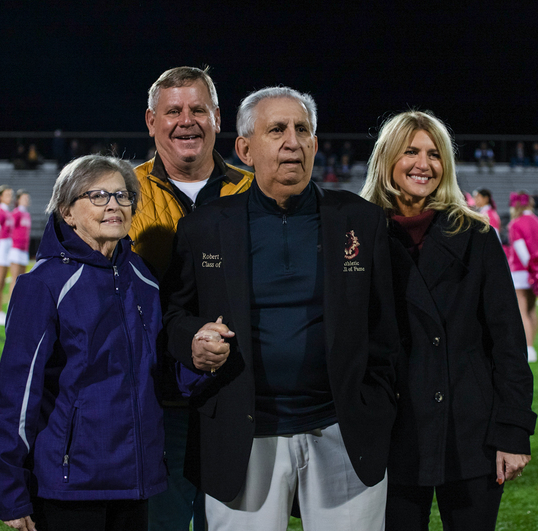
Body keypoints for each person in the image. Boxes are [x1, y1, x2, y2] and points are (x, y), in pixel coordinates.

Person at [162, 86, 398, 531]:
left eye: (302, 129)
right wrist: (192, 341)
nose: (293, 140)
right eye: (277, 129)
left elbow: (385, 328)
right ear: (245, 149)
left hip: (342, 431)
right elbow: (174, 315)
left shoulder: (359, 219)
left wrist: (377, 404)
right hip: (245, 437)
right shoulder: (204, 226)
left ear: (313, 143)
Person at [0, 154, 187, 531]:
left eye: (123, 195)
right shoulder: (43, 284)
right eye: (97, 196)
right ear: (67, 212)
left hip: (136, 480)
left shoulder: (142, 275)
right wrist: (11, 488)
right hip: (71, 485)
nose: (113, 204)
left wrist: (201, 360)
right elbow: (17, 394)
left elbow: (156, 368)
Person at [361, 111, 534, 530]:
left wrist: (512, 431)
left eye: (435, 154)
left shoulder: (477, 235)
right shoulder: (358, 235)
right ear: (386, 159)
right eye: (411, 152)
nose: (424, 164)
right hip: (391, 433)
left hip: (470, 432)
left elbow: (508, 341)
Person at [129, 66, 253, 531]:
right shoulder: (123, 192)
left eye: (198, 109)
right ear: (150, 120)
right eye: (173, 111)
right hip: (153, 400)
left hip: (239, 397)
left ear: (218, 118)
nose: (187, 120)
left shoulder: (254, 189)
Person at [506, 191, 538, 363]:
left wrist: (531, 267)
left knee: (521, 311)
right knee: (532, 310)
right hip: (537, 271)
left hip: (520, 271)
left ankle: (528, 348)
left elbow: (520, 250)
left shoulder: (515, 223)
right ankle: (532, 347)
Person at [0, 185, 14, 327]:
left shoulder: (7, 211)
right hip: (0, 250)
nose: (10, 197)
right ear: (0, 197)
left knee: (3, 282)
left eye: (11, 195)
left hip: (6, 250)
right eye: (7, 195)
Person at [7, 189, 32, 298]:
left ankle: (18, 303)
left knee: (22, 279)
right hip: (16, 248)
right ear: (18, 200)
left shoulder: (27, 214)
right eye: (24, 198)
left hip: (24, 249)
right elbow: (10, 229)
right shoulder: (16, 213)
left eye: (27, 198)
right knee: (15, 278)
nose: (27, 200)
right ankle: (11, 305)